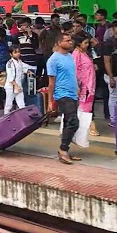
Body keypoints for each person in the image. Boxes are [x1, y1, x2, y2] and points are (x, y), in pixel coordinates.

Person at [46, 32, 82, 165]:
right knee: (74, 122)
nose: (70, 42)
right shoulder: (53, 60)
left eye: (70, 40)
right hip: (62, 94)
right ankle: (63, 150)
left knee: (68, 122)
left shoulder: (70, 56)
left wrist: (77, 88)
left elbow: (72, 74)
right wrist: (50, 101)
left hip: (72, 94)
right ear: (59, 43)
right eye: (67, 40)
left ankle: (65, 150)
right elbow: (51, 82)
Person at [3, 45, 30, 115]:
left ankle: (23, 118)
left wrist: (28, 71)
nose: (18, 53)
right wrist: (15, 85)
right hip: (11, 86)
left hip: (19, 85)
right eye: (15, 52)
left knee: (21, 104)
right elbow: (10, 77)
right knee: (9, 104)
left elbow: (22, 68)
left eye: (18, 52)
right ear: (11, 54)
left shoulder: (20, 62)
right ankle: (5, 117)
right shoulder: (9, 64)